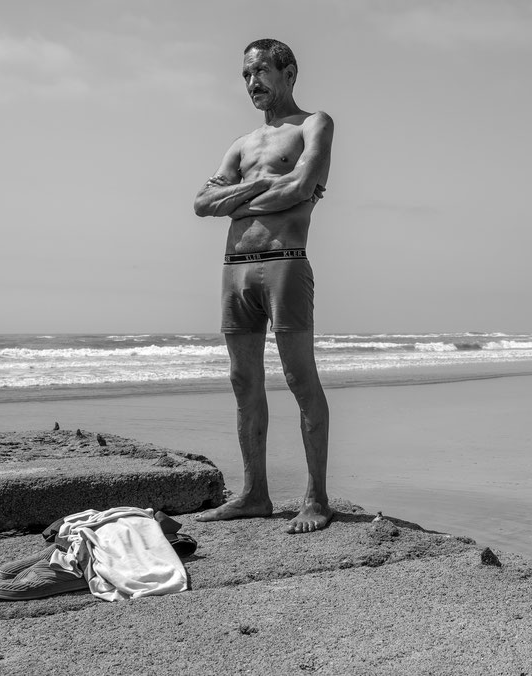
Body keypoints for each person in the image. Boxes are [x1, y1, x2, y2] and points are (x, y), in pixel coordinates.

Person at [192, 39, 334, 534]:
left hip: (285, 263)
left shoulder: (314, 124)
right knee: (242, 382)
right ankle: (254, 494)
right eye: (245, 75)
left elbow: (300, 186)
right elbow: (201, 203)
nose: (252, 83)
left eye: (260, 72)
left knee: (300, 379)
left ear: (288, 71)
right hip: (235, 270)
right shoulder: (241, 143)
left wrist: (234, 199)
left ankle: (316, 498)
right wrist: (257, 189)